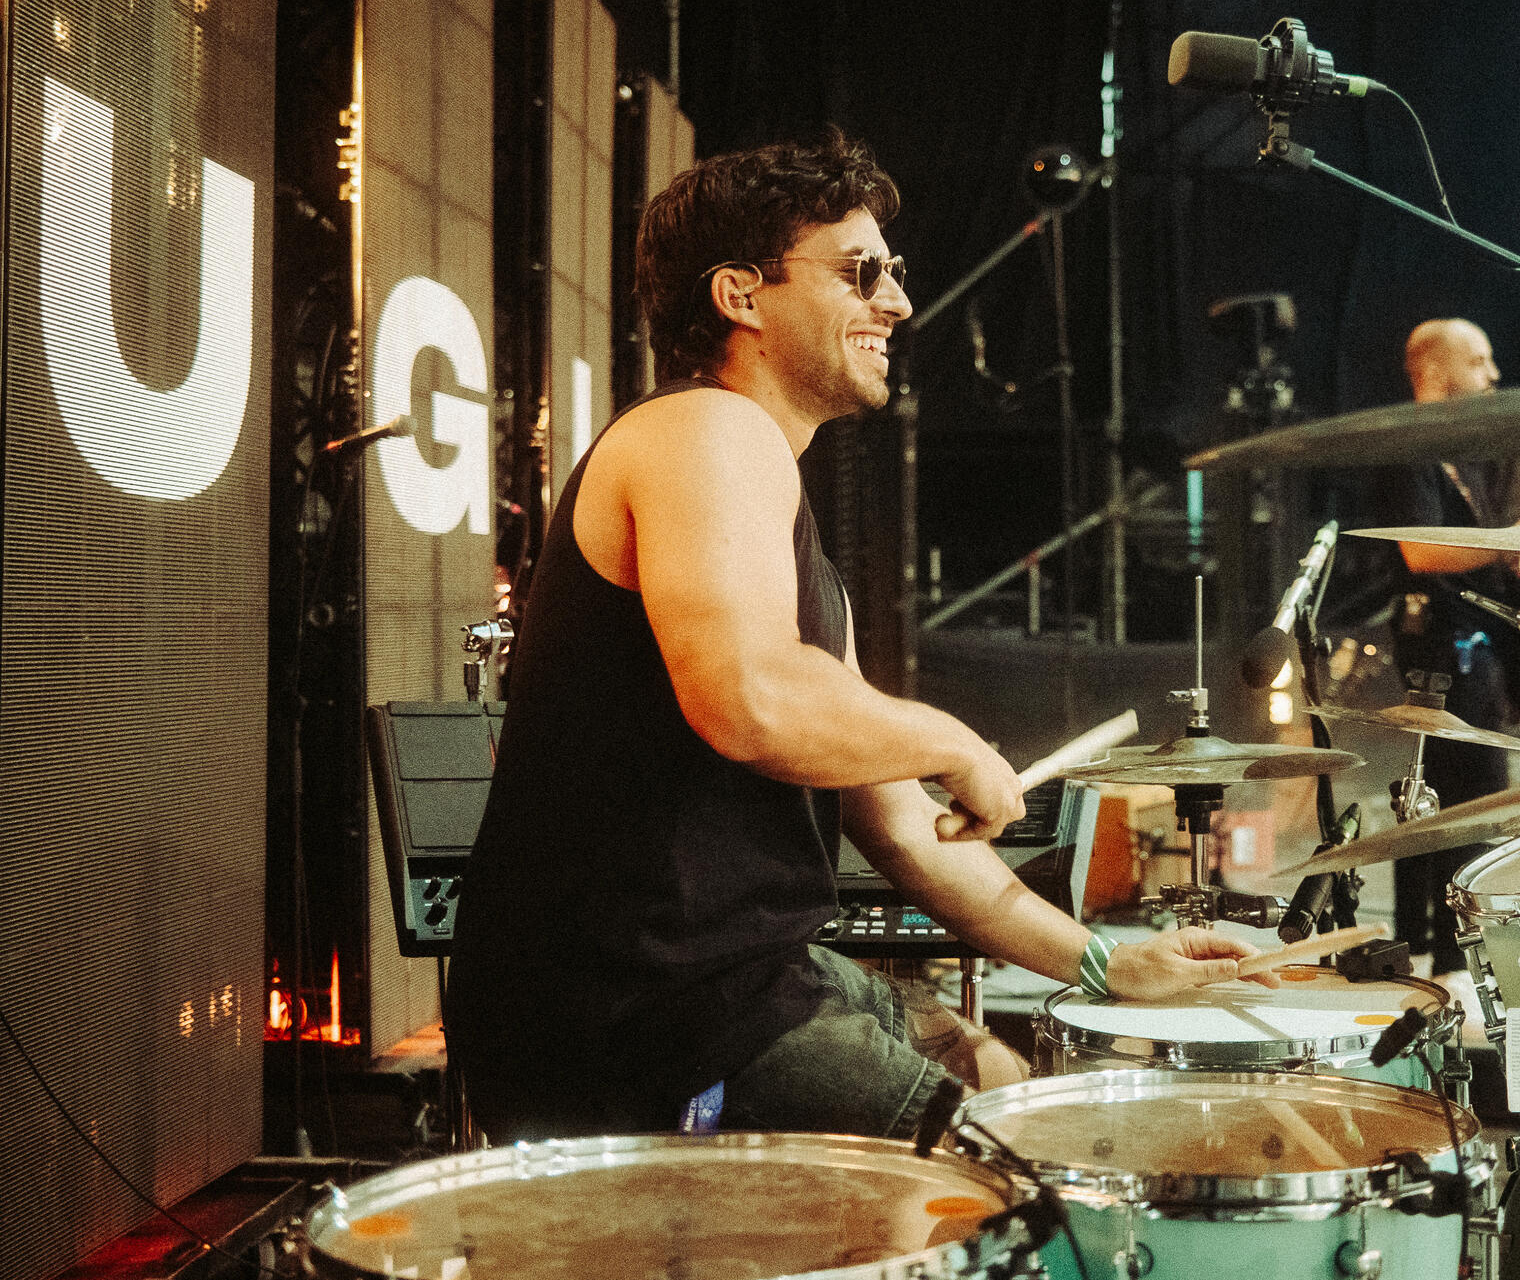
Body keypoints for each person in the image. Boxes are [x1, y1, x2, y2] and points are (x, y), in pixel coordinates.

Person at [443, 131, 1269, 1143]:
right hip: (639, 1017)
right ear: (742, 296)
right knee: (1018, 1171)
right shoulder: (702, 430)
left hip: (731, 986)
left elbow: (907, 830)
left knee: (1004, 1073)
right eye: (860, 273)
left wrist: (1109, 961)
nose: (899, 304)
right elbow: (749, 698)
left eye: (895, 272)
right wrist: (953, 739)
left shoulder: (774, 526)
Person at [1370, 319, 1520, 974]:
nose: (1494, 375)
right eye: (1480, 360)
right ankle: (1450, 966)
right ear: (1437, 370)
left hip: (1474, 644)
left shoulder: (1463, 452)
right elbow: (1422, 551)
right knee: (1458, 811)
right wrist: (1515, 540)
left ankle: (1451, 960)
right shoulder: (1411, 444)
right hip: (1439, 649)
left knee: (1463, 810)